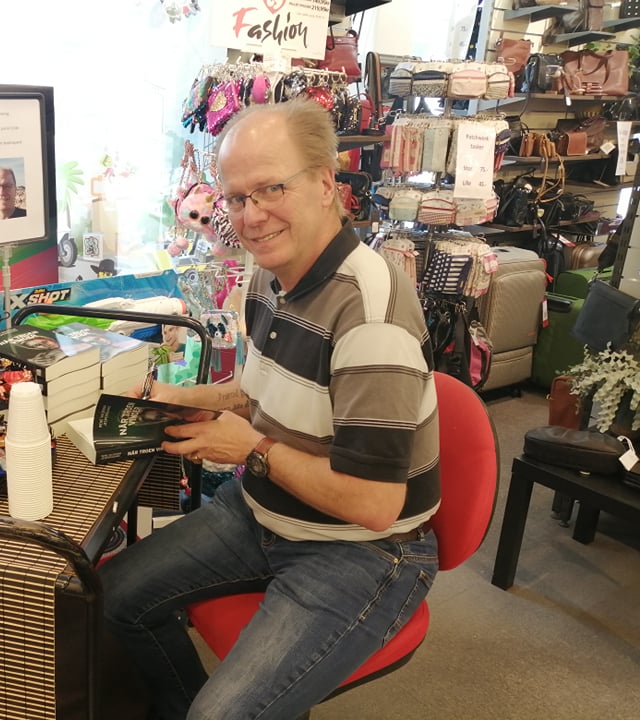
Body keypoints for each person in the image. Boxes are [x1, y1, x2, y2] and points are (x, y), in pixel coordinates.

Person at [99, 97, 441, 720]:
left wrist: (252, 449)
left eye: (271, 189)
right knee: (114, 596)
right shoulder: (269, 275)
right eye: (236, 198)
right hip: (264, 510)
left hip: (363, 549)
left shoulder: (370, 315)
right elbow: (258, 393)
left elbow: (374, 505)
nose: (251, 216)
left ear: (325, 184)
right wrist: (187, 399)